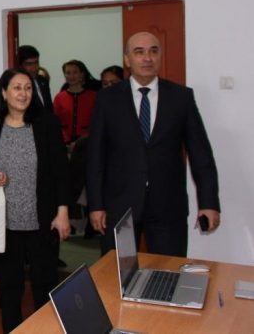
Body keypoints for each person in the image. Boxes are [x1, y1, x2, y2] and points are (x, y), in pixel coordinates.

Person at [87, 32, 220, 257]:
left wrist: (209, 203)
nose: (147, 58)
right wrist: (96, 205)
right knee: (116, 273)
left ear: (160, 56)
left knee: (168, 273)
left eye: (153, 51)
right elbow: (95, 157)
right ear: (127, 59)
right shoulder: (107, 99)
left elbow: (201, 154)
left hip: (168, 207)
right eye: (139, 52)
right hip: (120, 207)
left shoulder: (181, 97)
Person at [0, 68, 71, 333]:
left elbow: (61, 170)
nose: (23, 94)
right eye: (17, 88)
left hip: (42, 220)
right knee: (10, 287)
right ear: (4, 93)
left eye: (28, 88)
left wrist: (62, 212)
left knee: (45, 284)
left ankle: (45, 330)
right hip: (3, 223)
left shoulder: (46, 123)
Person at [53, 60, 97, 145]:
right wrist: (67, 141)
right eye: (68, 73)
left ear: (82, 74)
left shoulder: (93, 96)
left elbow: (96, 122)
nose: (71, 76)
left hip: (87, 142)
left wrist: (81, 141)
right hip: (64, 143)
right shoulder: (59, 97)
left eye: (75, 72)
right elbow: (55, 122)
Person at [17, 45, 53, 113]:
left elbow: (49, 109)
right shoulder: (16, 86)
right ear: (20, 65)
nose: (34, 67)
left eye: (36, 62)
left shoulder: (43, 81)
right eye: (29, 64)